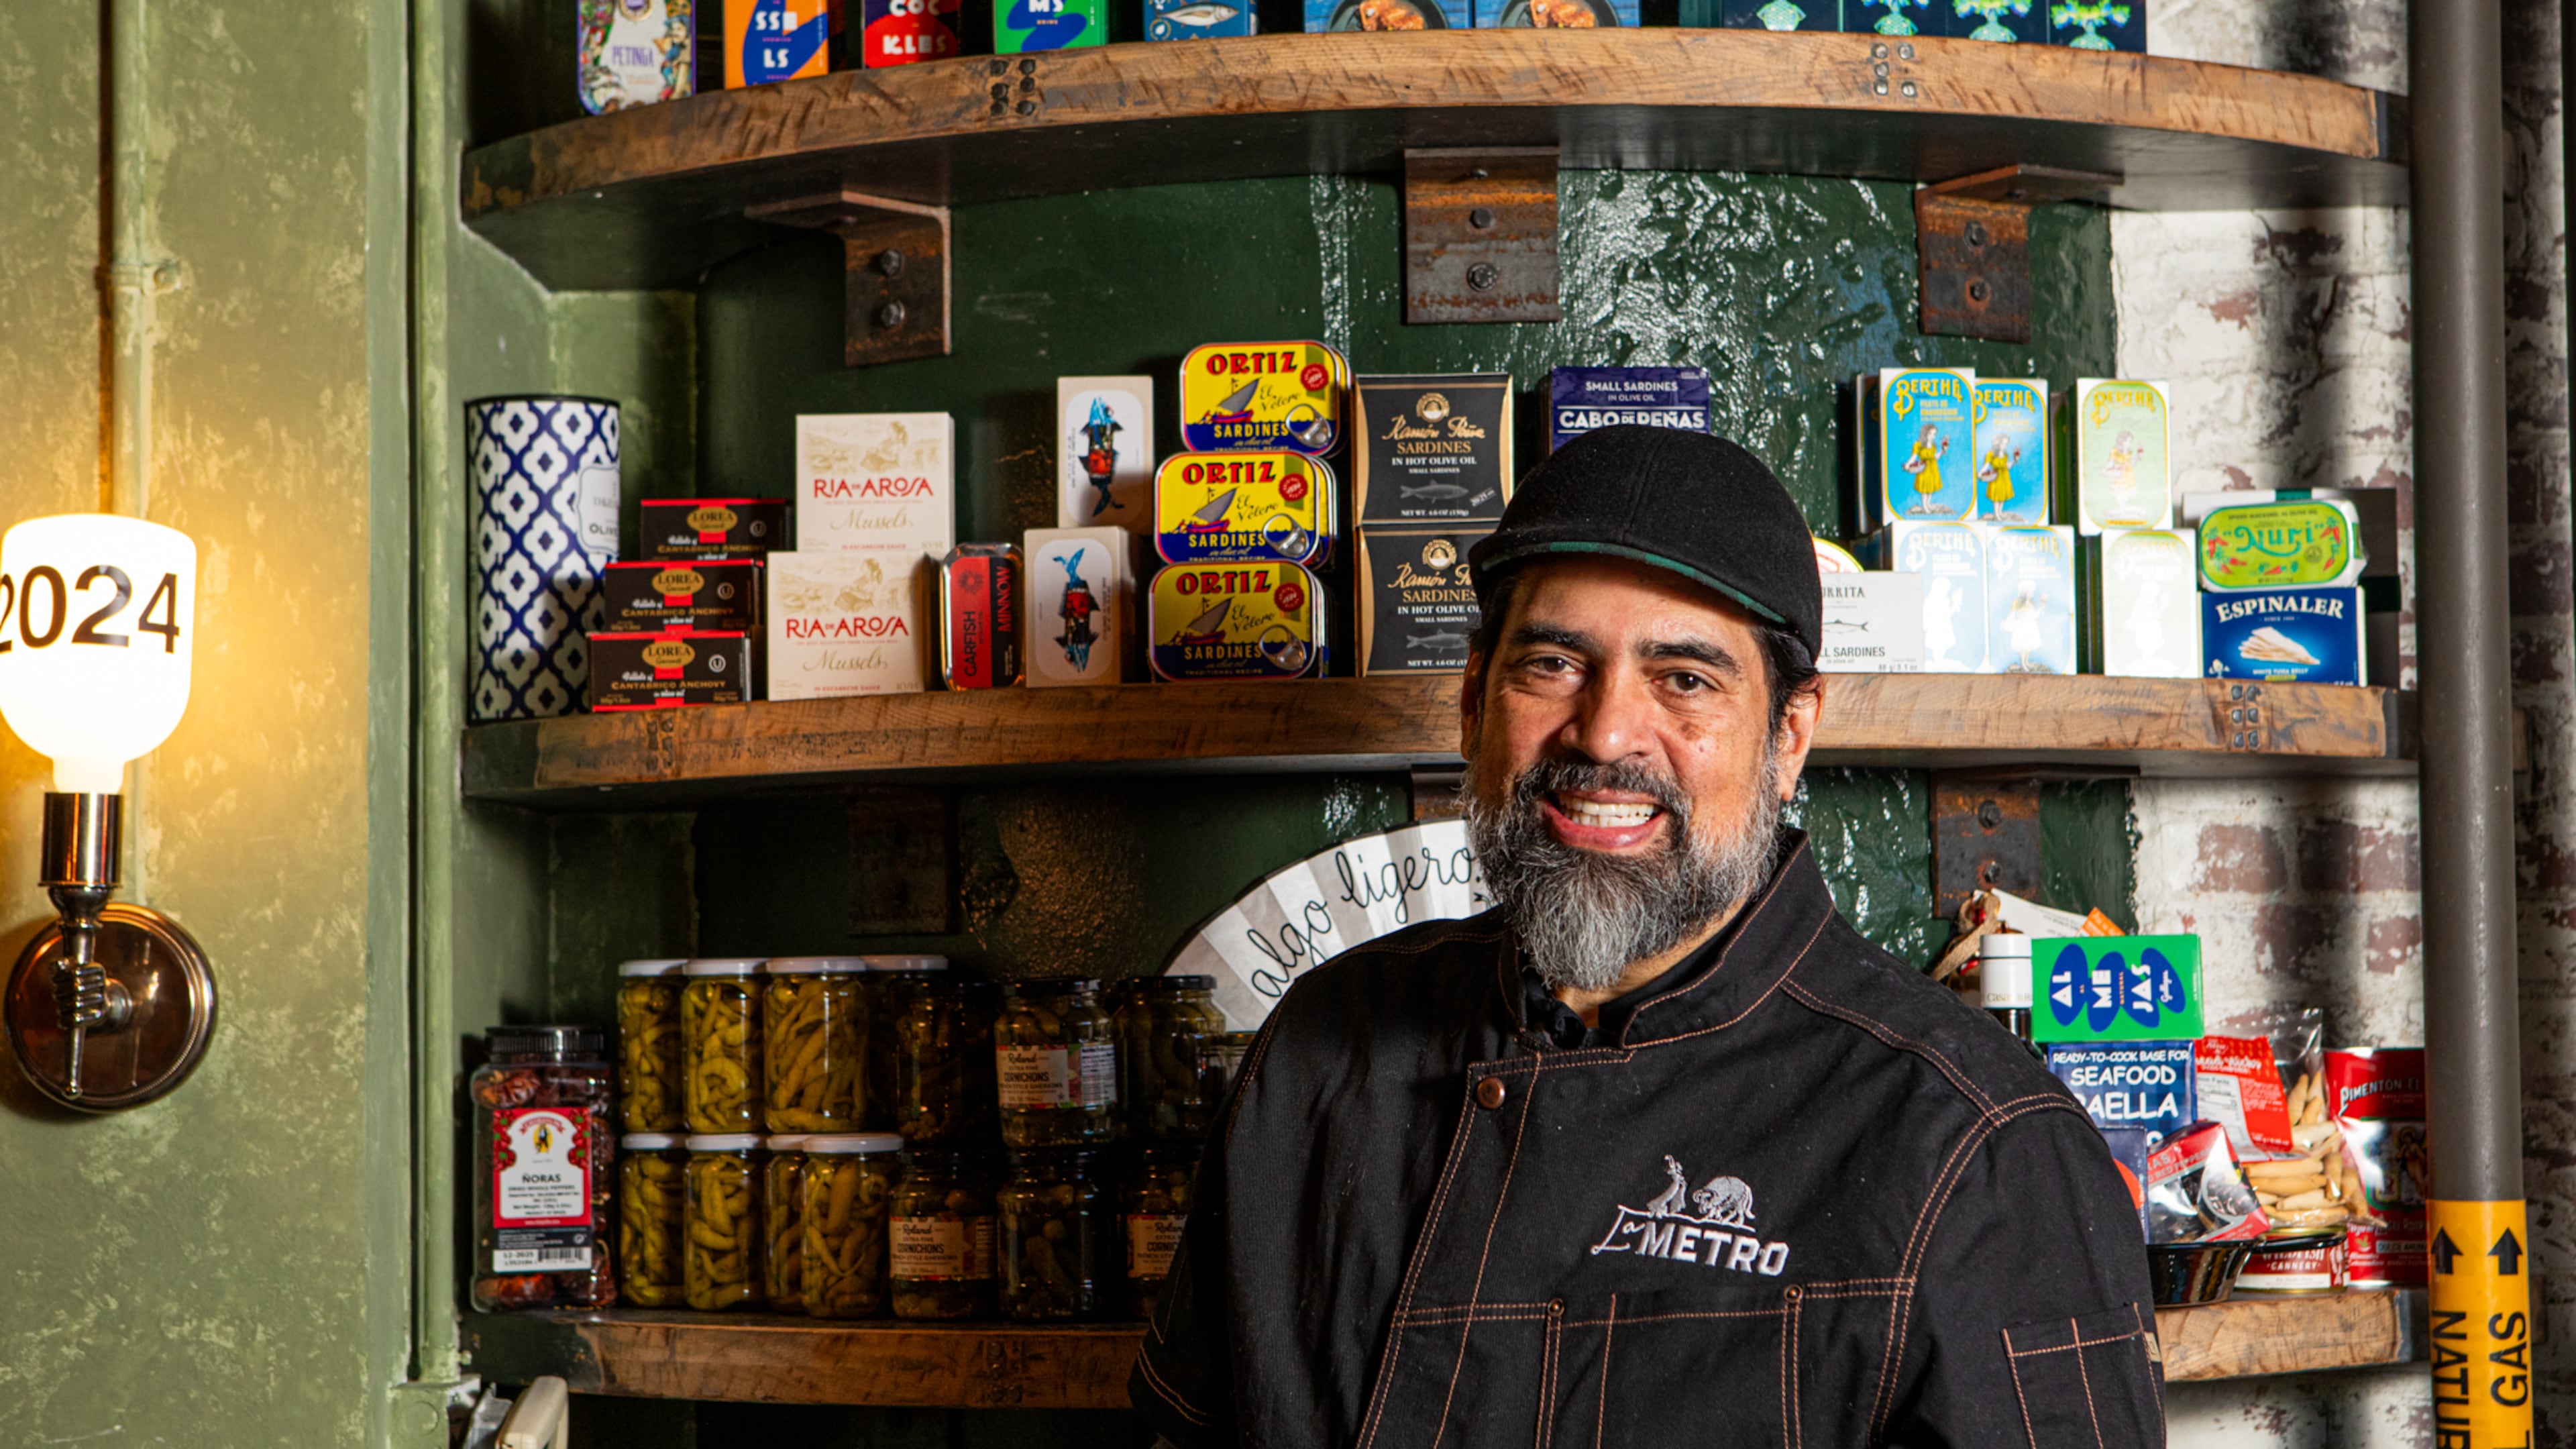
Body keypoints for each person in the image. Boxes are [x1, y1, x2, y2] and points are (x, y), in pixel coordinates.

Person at [1131, 425, 2161, 1448]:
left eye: (1685, 678)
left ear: (1790, 733)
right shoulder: (1320, 1049)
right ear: (1472, 699)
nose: (1604, 732)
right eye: (1552, 663)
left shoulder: (1982, 1147)